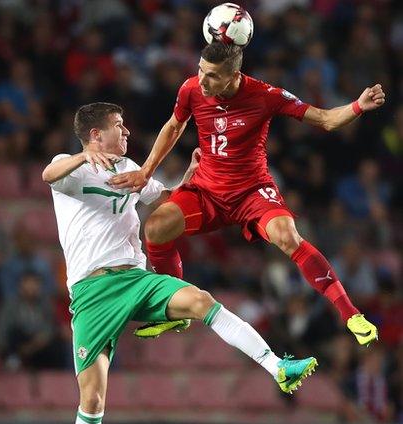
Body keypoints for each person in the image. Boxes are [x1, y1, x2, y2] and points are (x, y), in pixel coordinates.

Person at [42, 102, 317, 424]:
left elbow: (165, 200)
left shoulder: (131, 167)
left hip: (135, 277)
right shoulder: (69, 166)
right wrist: (80, 157)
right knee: (92, 401)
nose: (127, 131)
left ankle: (277, 366)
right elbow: (48, 177)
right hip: (92, 293)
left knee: (201, 301)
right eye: (117, 126)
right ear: (95, 134)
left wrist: (188, 179)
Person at [108, 42, 385, 346]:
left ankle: (350, 314)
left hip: (252, 193)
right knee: (157, 227)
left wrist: (358, 106)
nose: (202, 80)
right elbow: (173, 127)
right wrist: (146, 171)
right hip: (207, 190)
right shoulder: (191, 89)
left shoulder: (265, 95)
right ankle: (177, 310)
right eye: (201, 70)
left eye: (212, 75)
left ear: (234, 75)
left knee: (287, 236)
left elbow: (326, 119)